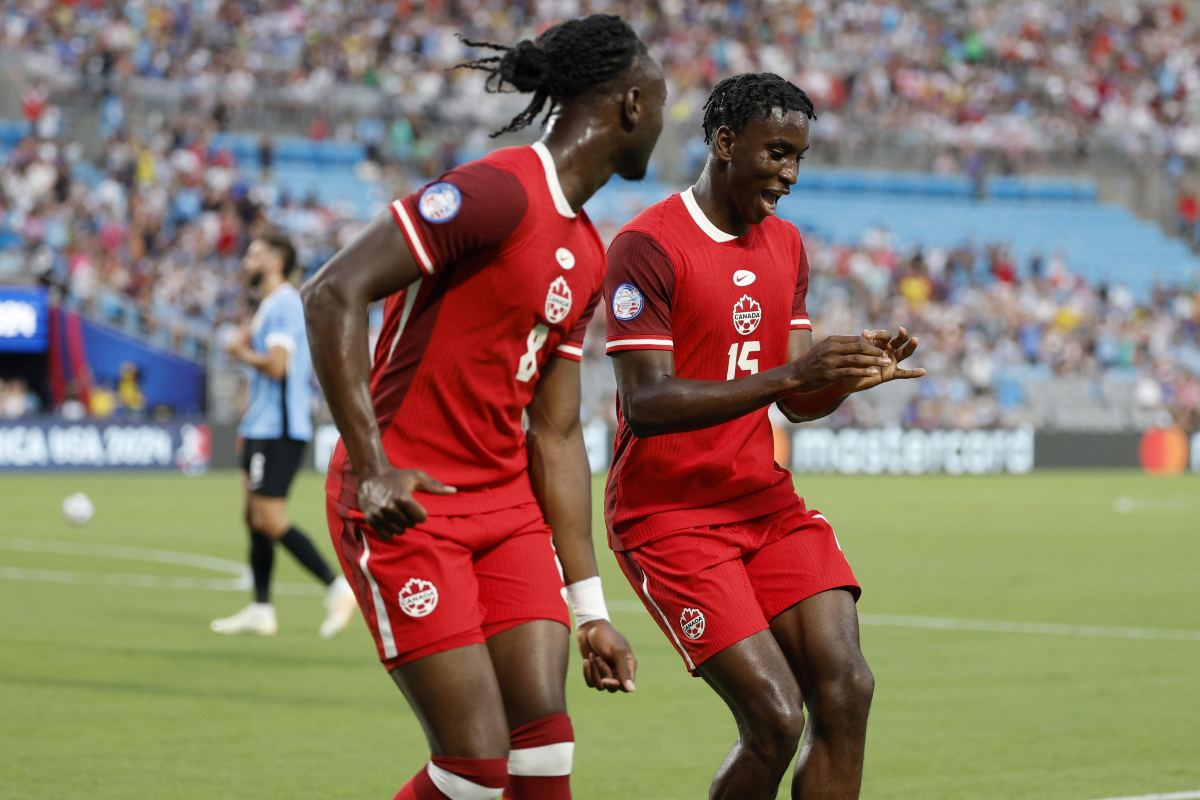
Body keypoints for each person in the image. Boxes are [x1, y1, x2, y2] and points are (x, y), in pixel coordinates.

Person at [300, 15, 666, 800]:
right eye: (664, 105)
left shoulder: (589, 251)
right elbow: (332, 291)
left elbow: (556, 434)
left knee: (544, 753)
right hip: (408, 500)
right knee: (472, 770)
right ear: (633, 104)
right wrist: (371, 467)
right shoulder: (499, 190)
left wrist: (590, 610)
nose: (665, 125)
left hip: (505, 508)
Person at [603, 72, 925, 800]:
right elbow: (647, 403)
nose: (790, 175)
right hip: (669, 516)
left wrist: (841, 379)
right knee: (776, 719)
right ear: (725, 142)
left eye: (799, 158)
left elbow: (798, 399)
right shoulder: (647, 245)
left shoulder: (787, 244)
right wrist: (793, 375)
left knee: (846, 688)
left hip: (762, 501)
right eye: (777, 152)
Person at [211, 232, 357, 638]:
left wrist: (241, 354)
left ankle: (337, 586)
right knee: (252, 516)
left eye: (254, 253)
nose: (246, 259)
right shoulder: (269, 305)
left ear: (276, 262)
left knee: (269, 517)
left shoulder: (285, 305)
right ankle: (261, 609)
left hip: (278, 427)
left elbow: (278, 366)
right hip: (260, 424)